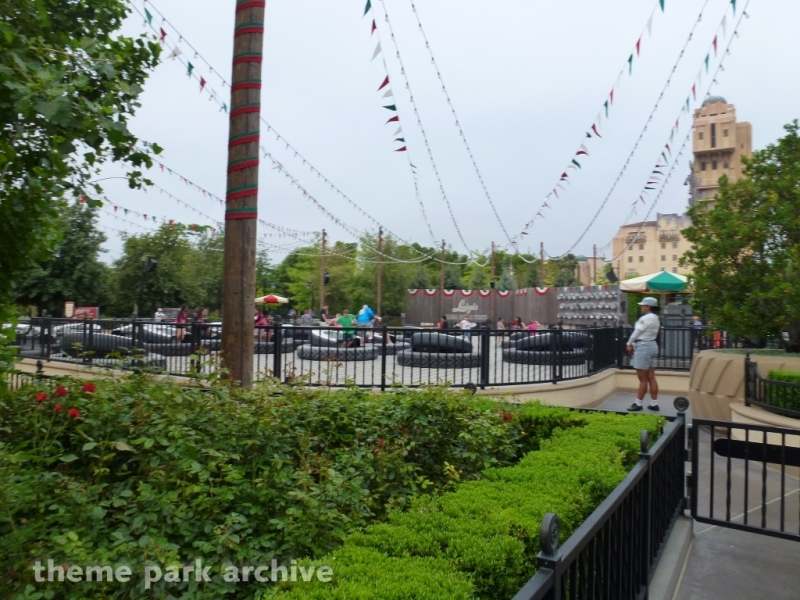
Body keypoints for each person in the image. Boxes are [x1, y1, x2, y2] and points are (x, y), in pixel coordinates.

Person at [627, 297, 661, 412]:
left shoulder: (645, 318)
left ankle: (638, 403)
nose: (641, 307)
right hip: (652, 345)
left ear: (648, 307)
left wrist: (629, 343)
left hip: (643, 346)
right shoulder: (656, 318)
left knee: (642, 378)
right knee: (651, 377)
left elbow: (636, 333)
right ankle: (654, 403)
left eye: (643, 305)